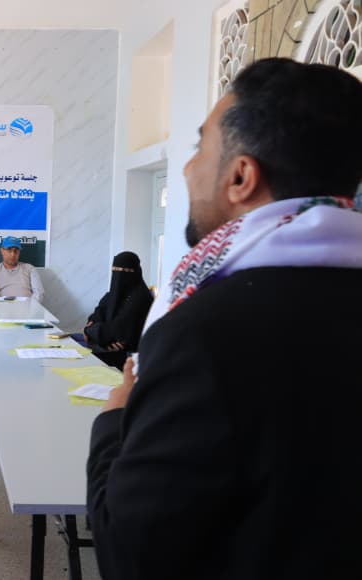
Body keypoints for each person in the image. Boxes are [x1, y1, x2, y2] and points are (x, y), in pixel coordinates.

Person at [86, 58, 362, 580]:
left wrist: (115, 417)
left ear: (240, 177)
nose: (188, 169)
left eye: (199, 148)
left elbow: (130, 554)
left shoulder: (202, 332)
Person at [74, 251, 153, 369]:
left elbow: (116, 330)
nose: (119, 275)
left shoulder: (141, 298)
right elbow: (98, 313)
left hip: (127, 356)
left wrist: (88, 331)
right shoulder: (113, 293)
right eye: (115, 270)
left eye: (125, 271)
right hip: (106, 348)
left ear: (135, 271)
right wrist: (92, 330)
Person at [0, 236, 44, 302]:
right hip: (1, 307)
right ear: (2, 251)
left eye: (16, 251)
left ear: (19, 252)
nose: (13, 254)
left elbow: (39, 293)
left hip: (26, 306)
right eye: (9, 250)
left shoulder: (30, 269)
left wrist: (31, 306)